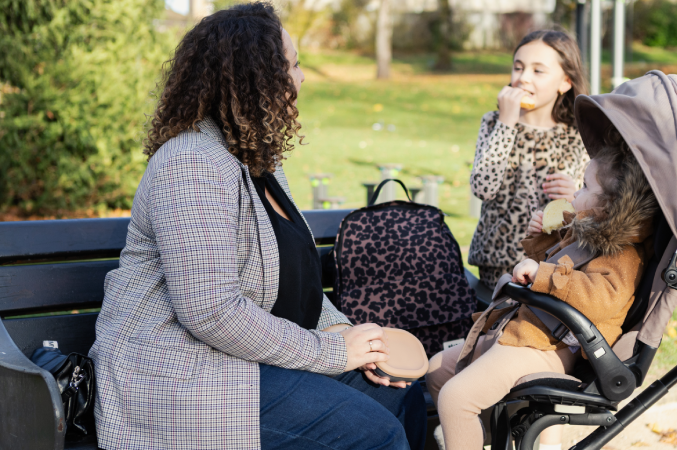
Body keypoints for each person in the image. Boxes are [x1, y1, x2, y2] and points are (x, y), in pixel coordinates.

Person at [88, 3, 425, 449]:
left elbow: (293, 282)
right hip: (180, 378)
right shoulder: (191, 163)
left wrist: (346, 337)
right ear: (255, 79)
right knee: (374, 432)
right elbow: (211, 311)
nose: (302, 78)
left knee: (397, 395)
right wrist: (331, 353)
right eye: (293, 65)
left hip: (246, 362)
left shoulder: (258, 161)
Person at [427, 125, 660, 450]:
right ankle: (481, 438)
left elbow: (601, 297)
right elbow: (561, 266)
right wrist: (545, 240)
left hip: (547, 347)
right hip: (523, 331)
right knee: (438, 371)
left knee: (456, 397)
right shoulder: (585, 232)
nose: (575, 193)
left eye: (584, 186)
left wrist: (543, 274)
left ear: (609, 205)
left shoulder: (623, 253)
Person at [468, 30, 590, 292]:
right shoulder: (494, 122)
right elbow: (482, 187)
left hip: (550, 265)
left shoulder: (577, 134)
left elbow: (589, 208)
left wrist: (573, 194)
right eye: (518, 67)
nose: (522, 78)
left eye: (538, 71)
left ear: (565, 82)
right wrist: (506, 123)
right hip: (496, 265)